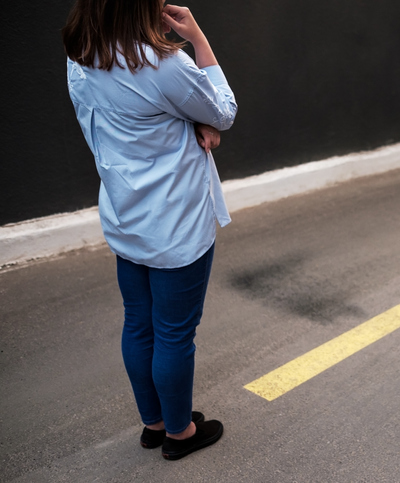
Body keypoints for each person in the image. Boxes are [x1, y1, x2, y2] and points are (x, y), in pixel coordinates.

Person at [62, 0, 237, 460]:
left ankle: (154, 424)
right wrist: (197, 38)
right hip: (176, 221)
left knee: (139, 324)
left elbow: (106, 128)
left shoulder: (80, 57)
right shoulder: (164, 64)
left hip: (125, 212)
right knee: (175, 332)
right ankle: (180, 434)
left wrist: (187, 119)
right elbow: (223, 111)